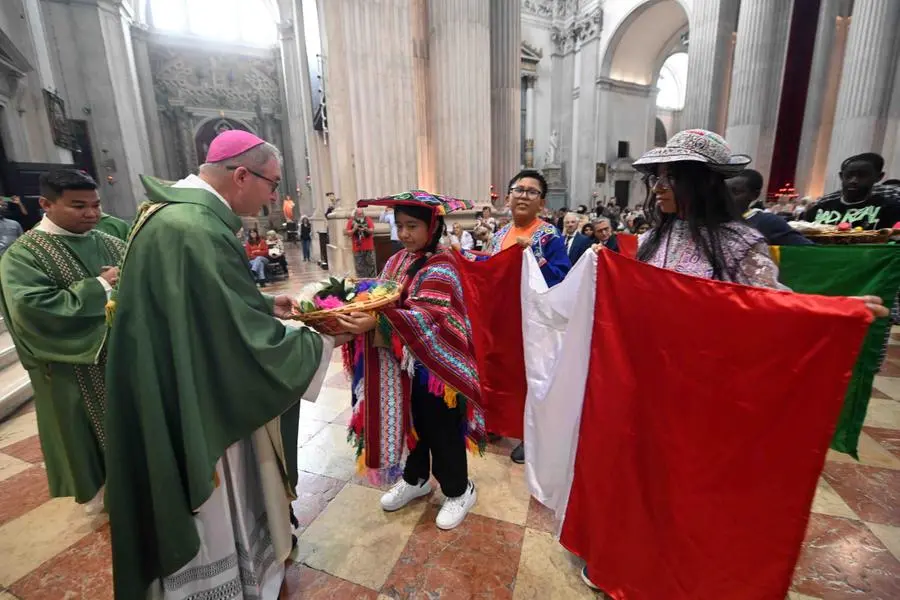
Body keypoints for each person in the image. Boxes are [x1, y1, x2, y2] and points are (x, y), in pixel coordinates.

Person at [582, 128, 888, 592]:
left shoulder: (739, 243)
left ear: (701, 182)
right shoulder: (653, 238)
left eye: (671, 177)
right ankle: (627, 557)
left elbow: (771, 307)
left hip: (702, 393)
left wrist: (837, 312)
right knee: (640, 476)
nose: (658, 187)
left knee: (684, 486)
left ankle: (674, 569)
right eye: (657, 178)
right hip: (649, 385)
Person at [103, 130, 349, 599]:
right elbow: (242, 348)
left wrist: (257, 302)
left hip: (169, 376)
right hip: (197, 393)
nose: (274, 195)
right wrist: (324, 334)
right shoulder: (196, 229)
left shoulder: (172, 216)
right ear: (241, 175)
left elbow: (196, 304)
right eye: (272, 184)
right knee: (223, 496)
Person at [334, 191, 485, 531]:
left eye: (412, 226)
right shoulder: (397, 260)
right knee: (409, 423)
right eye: (399, 225)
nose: (404, 234)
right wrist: (357, 298)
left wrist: (378, 321)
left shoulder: (443, 265)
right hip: (402, 362)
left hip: (437, 368)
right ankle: (415, 478)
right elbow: (382, 292)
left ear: (432, 226)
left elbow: (429, 314)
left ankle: (459, 490)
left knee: (441, 428)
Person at [0, 169, 124, 515]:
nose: (92, 214)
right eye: (78, 206)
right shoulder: (24, 255)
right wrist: (99, 287)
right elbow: (31, 310)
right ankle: (104, 497)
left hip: (125, 360)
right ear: (45, 204)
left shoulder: (111, 242)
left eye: (96, 205)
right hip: (71, 367)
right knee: (88, 438)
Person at [480, 169, 570, 464]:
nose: (523, 196)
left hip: (532, 323)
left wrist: (536, 257)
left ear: (542, 204)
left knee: (529, 377)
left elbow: (562, 278)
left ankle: (528, 435)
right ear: (507, 197)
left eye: (532, 192)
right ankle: (495, 423)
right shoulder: (498, 236)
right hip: (500, 319)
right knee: (497, 371)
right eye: (518, 190)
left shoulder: (549, 236)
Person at [804, 152, 900, 230]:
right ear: (841, 176)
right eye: (849, 175)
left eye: (862, 175)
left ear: (878, 177)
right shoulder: (819, 210)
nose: (854, 180)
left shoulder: (891, 209)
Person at [727, 169, 812, 246]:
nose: (727, 196)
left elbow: (811, 251)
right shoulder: (716, 220)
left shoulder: (768, 222)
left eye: (736, 192)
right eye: (725, 190)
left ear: (755, 195)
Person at [346, 207, 377, 277]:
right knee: (359, 268)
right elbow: (348, 233)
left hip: (369, 247)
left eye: (361, 213)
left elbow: (372, 230)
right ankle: (362, 283)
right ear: (355, 214)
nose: (360, 215)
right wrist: (354, 229)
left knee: (371, 266)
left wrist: (366, 229)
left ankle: (372, 282)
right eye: (358, 214)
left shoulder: (368, 219)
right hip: (357, 248)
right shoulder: (351, 221)